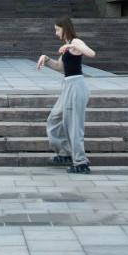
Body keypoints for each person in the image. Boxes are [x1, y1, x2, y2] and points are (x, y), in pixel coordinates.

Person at [37, 16, 96, 174]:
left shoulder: (76, 42)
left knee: (74, 125)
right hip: (68, 85)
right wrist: (46, 59)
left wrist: (70, 46)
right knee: (54, 119)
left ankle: (81, 163)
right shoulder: (67, 46)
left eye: (58, 29)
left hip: (77, 86)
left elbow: (91, 53)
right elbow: (61, 67)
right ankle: (65, 153)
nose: (56, 33)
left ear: (65, 28)